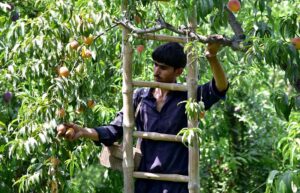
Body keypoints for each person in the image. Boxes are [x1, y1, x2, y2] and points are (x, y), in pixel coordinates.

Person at [57, 41, 229, 193]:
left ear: (178, 71)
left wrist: (212, 57)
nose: (156, 71)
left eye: (163, 68)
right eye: (155, 65)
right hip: (145, 181)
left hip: (176, 183)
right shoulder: (141, 96)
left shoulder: (188, 96)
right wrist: (84, 132)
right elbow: (116, 129)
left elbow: (219, 88)